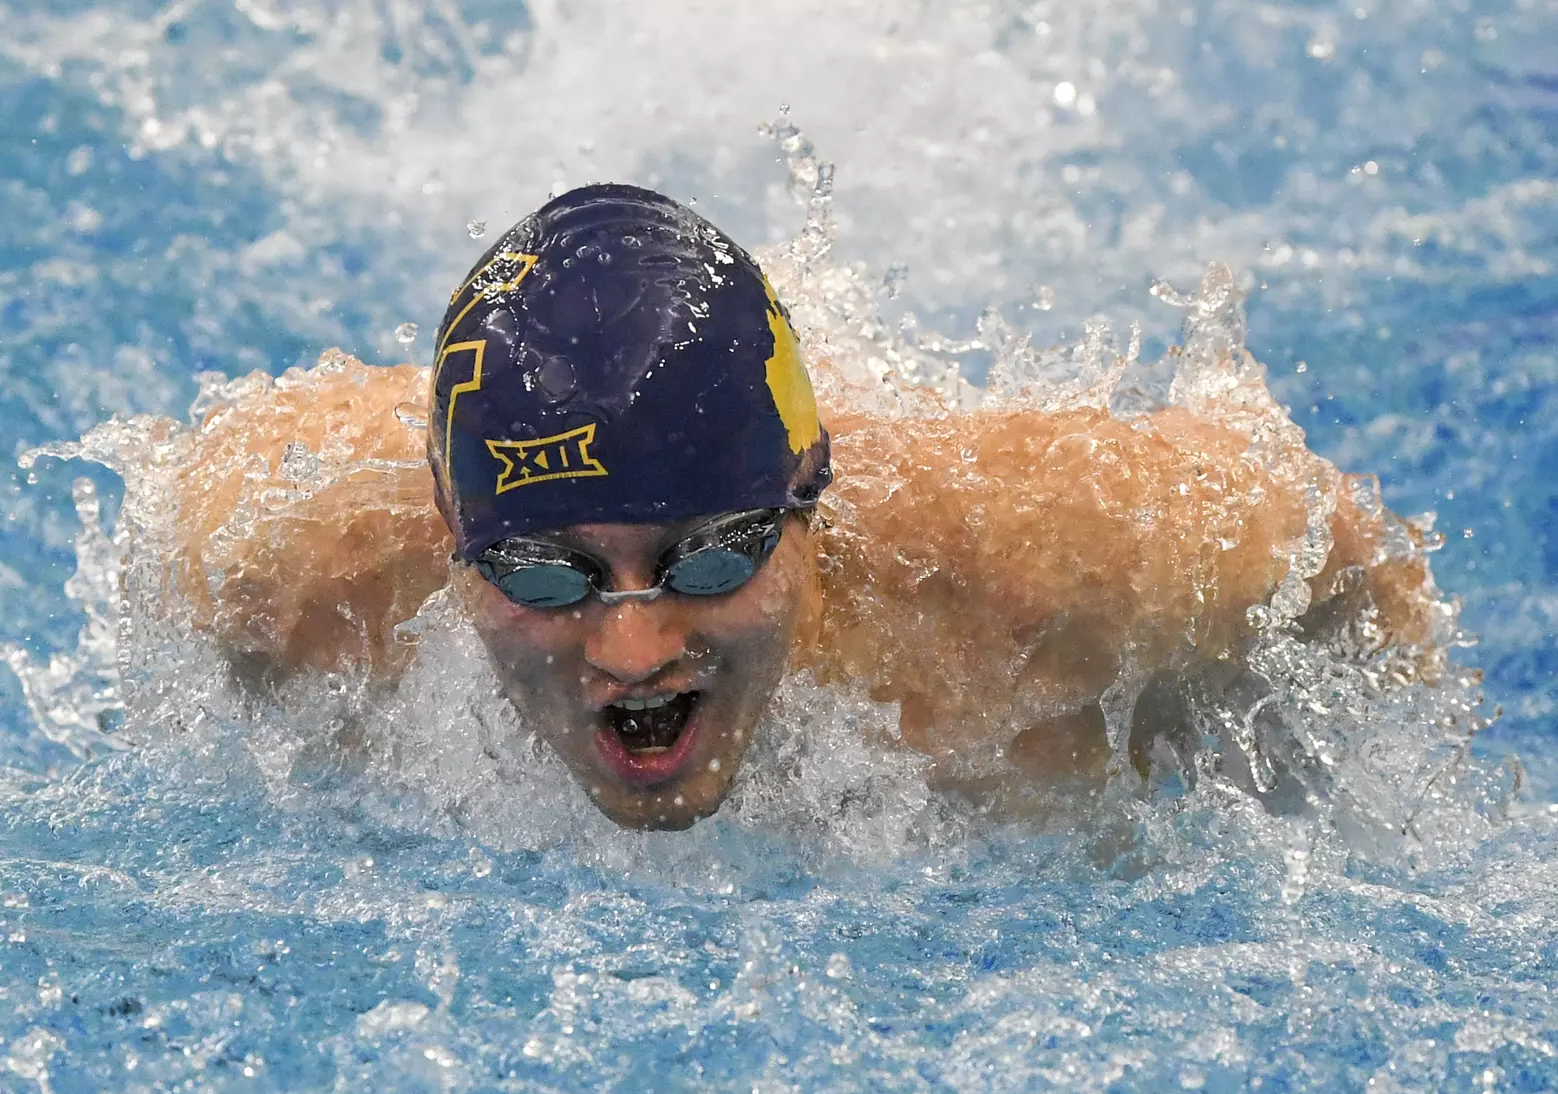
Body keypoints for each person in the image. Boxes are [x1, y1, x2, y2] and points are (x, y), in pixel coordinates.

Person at [163, 184, 1453, 830]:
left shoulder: (1050, 581)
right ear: (453, 541)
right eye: (551, 573)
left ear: (804, 506)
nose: (633, 650)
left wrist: (1310, 786)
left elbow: (1337, 548)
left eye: (710, 559)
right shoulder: (290, 577)